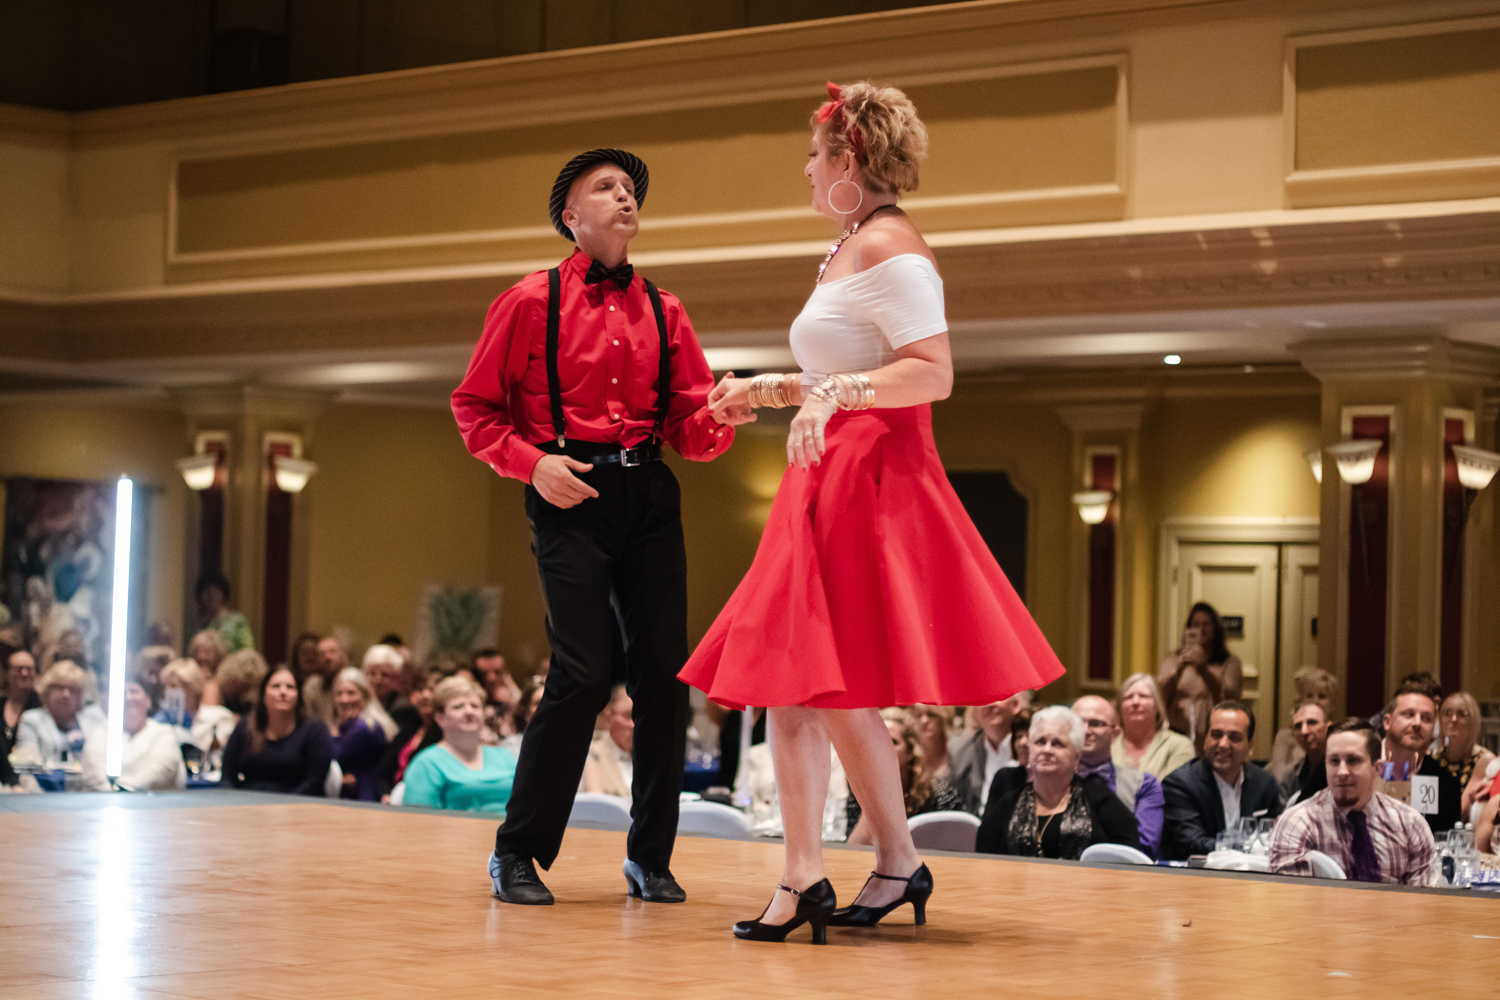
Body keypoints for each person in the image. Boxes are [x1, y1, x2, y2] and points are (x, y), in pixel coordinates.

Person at [682, 81, 1066, 943]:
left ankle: (809, 875)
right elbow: (842, 373)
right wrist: (767, 391)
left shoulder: (891, 245)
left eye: (814, 157)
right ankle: (889, 860)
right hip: (833, 474)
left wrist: (831, 396)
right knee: (816, 683)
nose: (807, 173)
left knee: (802, 679)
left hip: (866, 478)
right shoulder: (855, 245)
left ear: (849, 160)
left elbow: (931, 371)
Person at [454, 147, 745, 908]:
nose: (625, 196)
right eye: (605, 187)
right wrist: (531, 466)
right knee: (582, 674)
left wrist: (723, 415)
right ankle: (517, 851)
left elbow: (688, 429)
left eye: (630, 189)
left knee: (665, 678)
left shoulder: (665, 308)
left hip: (647, 492)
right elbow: (474, 408)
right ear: (570, 216)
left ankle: (650, 858)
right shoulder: (529, 300)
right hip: (566, 489)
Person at [1269, 718, 1438, 885]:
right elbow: (1291, 901)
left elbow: (1423, 901)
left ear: (1378, 768)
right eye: (1334, 761)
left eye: (1353, 760)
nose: (1342, 772)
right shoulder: (1296, 824)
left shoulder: (1410, 824)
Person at [976, 706, 1139, 858]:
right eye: (1040, 742)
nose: (1047, 750)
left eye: (1057, 744)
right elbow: (983, 859)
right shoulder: (1006, 805)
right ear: (1030, 750)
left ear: (1076, 755)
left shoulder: (1103, 803)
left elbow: (1128, 860)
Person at [1160, 701, 1281, 860]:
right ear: (1205, 739)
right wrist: (1243, 849)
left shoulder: (1265, 784)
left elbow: (1275, 838)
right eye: (1216, 735)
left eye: (1234, 737)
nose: (1223, 744)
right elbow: (1193, 844)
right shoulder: (1180, 783)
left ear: (1250, 745)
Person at [402, 675, 518, 814]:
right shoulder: (426, 764)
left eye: (475, 706)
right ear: (440, 718)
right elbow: (418, 821)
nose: (469, 712)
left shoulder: (505, 757)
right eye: (458, 707)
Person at [846, 709, 964, 844]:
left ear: (910, 752)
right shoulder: (859, 791)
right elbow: (852, 849)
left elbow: (962, 839)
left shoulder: (939, 794)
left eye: (893, 742)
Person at [1071, 695, 1165, 857]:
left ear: (1115, 734)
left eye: (1095, 723)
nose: (1085, 731)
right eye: (1077, 723)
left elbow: (1144, 848)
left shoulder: (1144, 784)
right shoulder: (1050, 782)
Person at [220, 667, 334, 796]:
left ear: (298, 696)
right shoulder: (245, 727)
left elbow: (314, 782)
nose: (283, 692)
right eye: (276, 686)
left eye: (290, 687)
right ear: (264, 695)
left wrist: (284, 805)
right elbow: (227, 776)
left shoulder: (315, 730)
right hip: (248, 803)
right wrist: (231, 800)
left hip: (298, 803)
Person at [1380, 681, 1462, 835]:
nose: (1417, 723)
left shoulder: (1445, 784)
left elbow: (1442, 844)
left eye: (1426, 718)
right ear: (1387, 722)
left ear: (1433, 731)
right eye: (1409, 714)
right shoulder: (1356, 763)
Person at [1158, 602, 1243, 750]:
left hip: (1214, 735)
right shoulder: (1173, 660)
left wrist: (1204, 670)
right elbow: (1161, 697)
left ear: (1215, 629)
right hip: (1177, 733)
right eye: (1196, 625)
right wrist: (1179, 671)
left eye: (1206, 624)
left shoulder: (1230, 662)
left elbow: (1228, 700)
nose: (1201, 629)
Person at [79, 675, 185, 792]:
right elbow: (95, 775)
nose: (128, 697)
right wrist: (113, 794)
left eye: (134, 691)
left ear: (148, 700)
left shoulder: (164, 733)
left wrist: (121, 791)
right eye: (121, 693)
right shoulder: (99, 733)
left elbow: (160, 770)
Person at [947, 694, 1030, 815]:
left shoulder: (1030, 748)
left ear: (1016, 705)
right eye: (984, 699)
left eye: (999, 696)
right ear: (975, 713)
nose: (990, 705)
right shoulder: (960, 755)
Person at [16, 660, 106, 767]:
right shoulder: (31, 720)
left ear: (80, 695)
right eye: (59, 687)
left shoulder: (93, 721)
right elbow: (26, 765)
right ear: (47, 690)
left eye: (72, 689)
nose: (65, 694)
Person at [157, 658, 238, 772]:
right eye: (165, 686)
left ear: (192, 688)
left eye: (173, 686)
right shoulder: (158, 724)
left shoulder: (219, 718)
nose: (167, 691)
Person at [1111, 673, 1195, 779]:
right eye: (1128, 697)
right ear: (1119, 708)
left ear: (1157, 706)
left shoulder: (1179, 745)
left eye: (1143, 696)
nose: (1135, 702)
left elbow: (1174, 788)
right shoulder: (1107, 745)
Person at [330, 668, 396, 801]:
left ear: (364, 696)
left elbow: (334, 756)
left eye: (351, 693)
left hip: (365, 797)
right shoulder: (348, 725)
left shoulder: (366, 727)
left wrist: (334, 734)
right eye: (339, 693)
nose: (344, 699)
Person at [1268, 667, 1336, 784]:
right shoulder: (1285, 737)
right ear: (1300, 700)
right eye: (1309, 695)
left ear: (1331, 704)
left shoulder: (1339, 735)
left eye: (1322, 696)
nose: (1315, 701)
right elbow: (1278, 778)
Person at [1433, 692, 1495, 809]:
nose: (1454, 719)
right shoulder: (1434, 759)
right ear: (1440, 720)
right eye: (1448, 713)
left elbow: (1460, 810)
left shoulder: (1484, 759)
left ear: (1473, 721)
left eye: (1461, 714)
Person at [383, 669, 436, 796]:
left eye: (432, 690)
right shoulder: (408, 726)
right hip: (391, 795)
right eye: (422, 690)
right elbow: (385, 768)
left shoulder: (444, 735)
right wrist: (385, 793)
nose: (425, 695)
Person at [581, 686, 634, 798]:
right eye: (628, 715)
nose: (633, 725)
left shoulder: (649, 758)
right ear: (608, 716)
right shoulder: (590, 755)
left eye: (638, 717)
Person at [1277, 702, 1329, 808]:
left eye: (1312, 722)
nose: (1304, 731)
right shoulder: (1292, 777)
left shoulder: (1342, 770)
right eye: (1298, 726)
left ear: (1328, 727)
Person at [3, 649, 41, 786]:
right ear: (8, 672)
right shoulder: (0, 704)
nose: (24, 673)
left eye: (29, 669)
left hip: (30, 780)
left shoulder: (42, 707)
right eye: (19, 669)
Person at [194, 572, 254, 654]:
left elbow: (248, 652)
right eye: (207, 591)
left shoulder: (237, 621)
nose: (212, 596)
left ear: (223, 593)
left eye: (216, 591)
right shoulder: (199, 624)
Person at [302, 635, 348, 727]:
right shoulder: (313, 686)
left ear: (343, 654)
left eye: (332, 651)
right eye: (322, 654)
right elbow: (311, 722)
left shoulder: (355, 683)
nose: (327, 657)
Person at [909, 704, 955, 780]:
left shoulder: (957, 753)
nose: (924, 721)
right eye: (918, 715)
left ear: (944, 718)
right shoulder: (910, 757)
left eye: (931, 715)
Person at [187, 629, 227, 705]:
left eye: (207, 652)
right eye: (197, 651)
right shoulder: (187, 684)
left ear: (218, 654)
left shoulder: (225, 686)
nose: (201, 657)